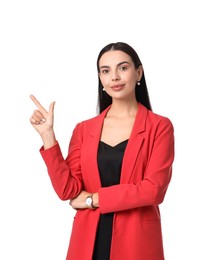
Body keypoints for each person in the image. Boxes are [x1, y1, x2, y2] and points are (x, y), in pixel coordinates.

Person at [30, 42, 175, 260]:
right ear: (100, 78)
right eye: (105, 71)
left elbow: (153, 190)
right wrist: (48, 136)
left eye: (123, 68)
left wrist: (94, 200)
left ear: (139, 73)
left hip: (136, 243)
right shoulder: (84, 129)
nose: (114, 77)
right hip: (88, 240)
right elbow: (68, 190)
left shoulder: (159, 127)